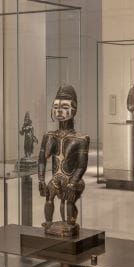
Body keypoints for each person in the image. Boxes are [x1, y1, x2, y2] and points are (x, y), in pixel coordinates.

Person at [38, 85, 90, 237]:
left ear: (74, 110)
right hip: (57, 178)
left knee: (69, 200)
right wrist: (41, 179)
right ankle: (48, 223)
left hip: (72, 180)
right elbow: (42, 158)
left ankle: (70, 223)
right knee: (49, 195)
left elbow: (81, 165)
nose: (59, 111)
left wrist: (73, 183)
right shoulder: (49, 136)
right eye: (56, 107)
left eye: (65, 107)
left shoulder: (80, 139)